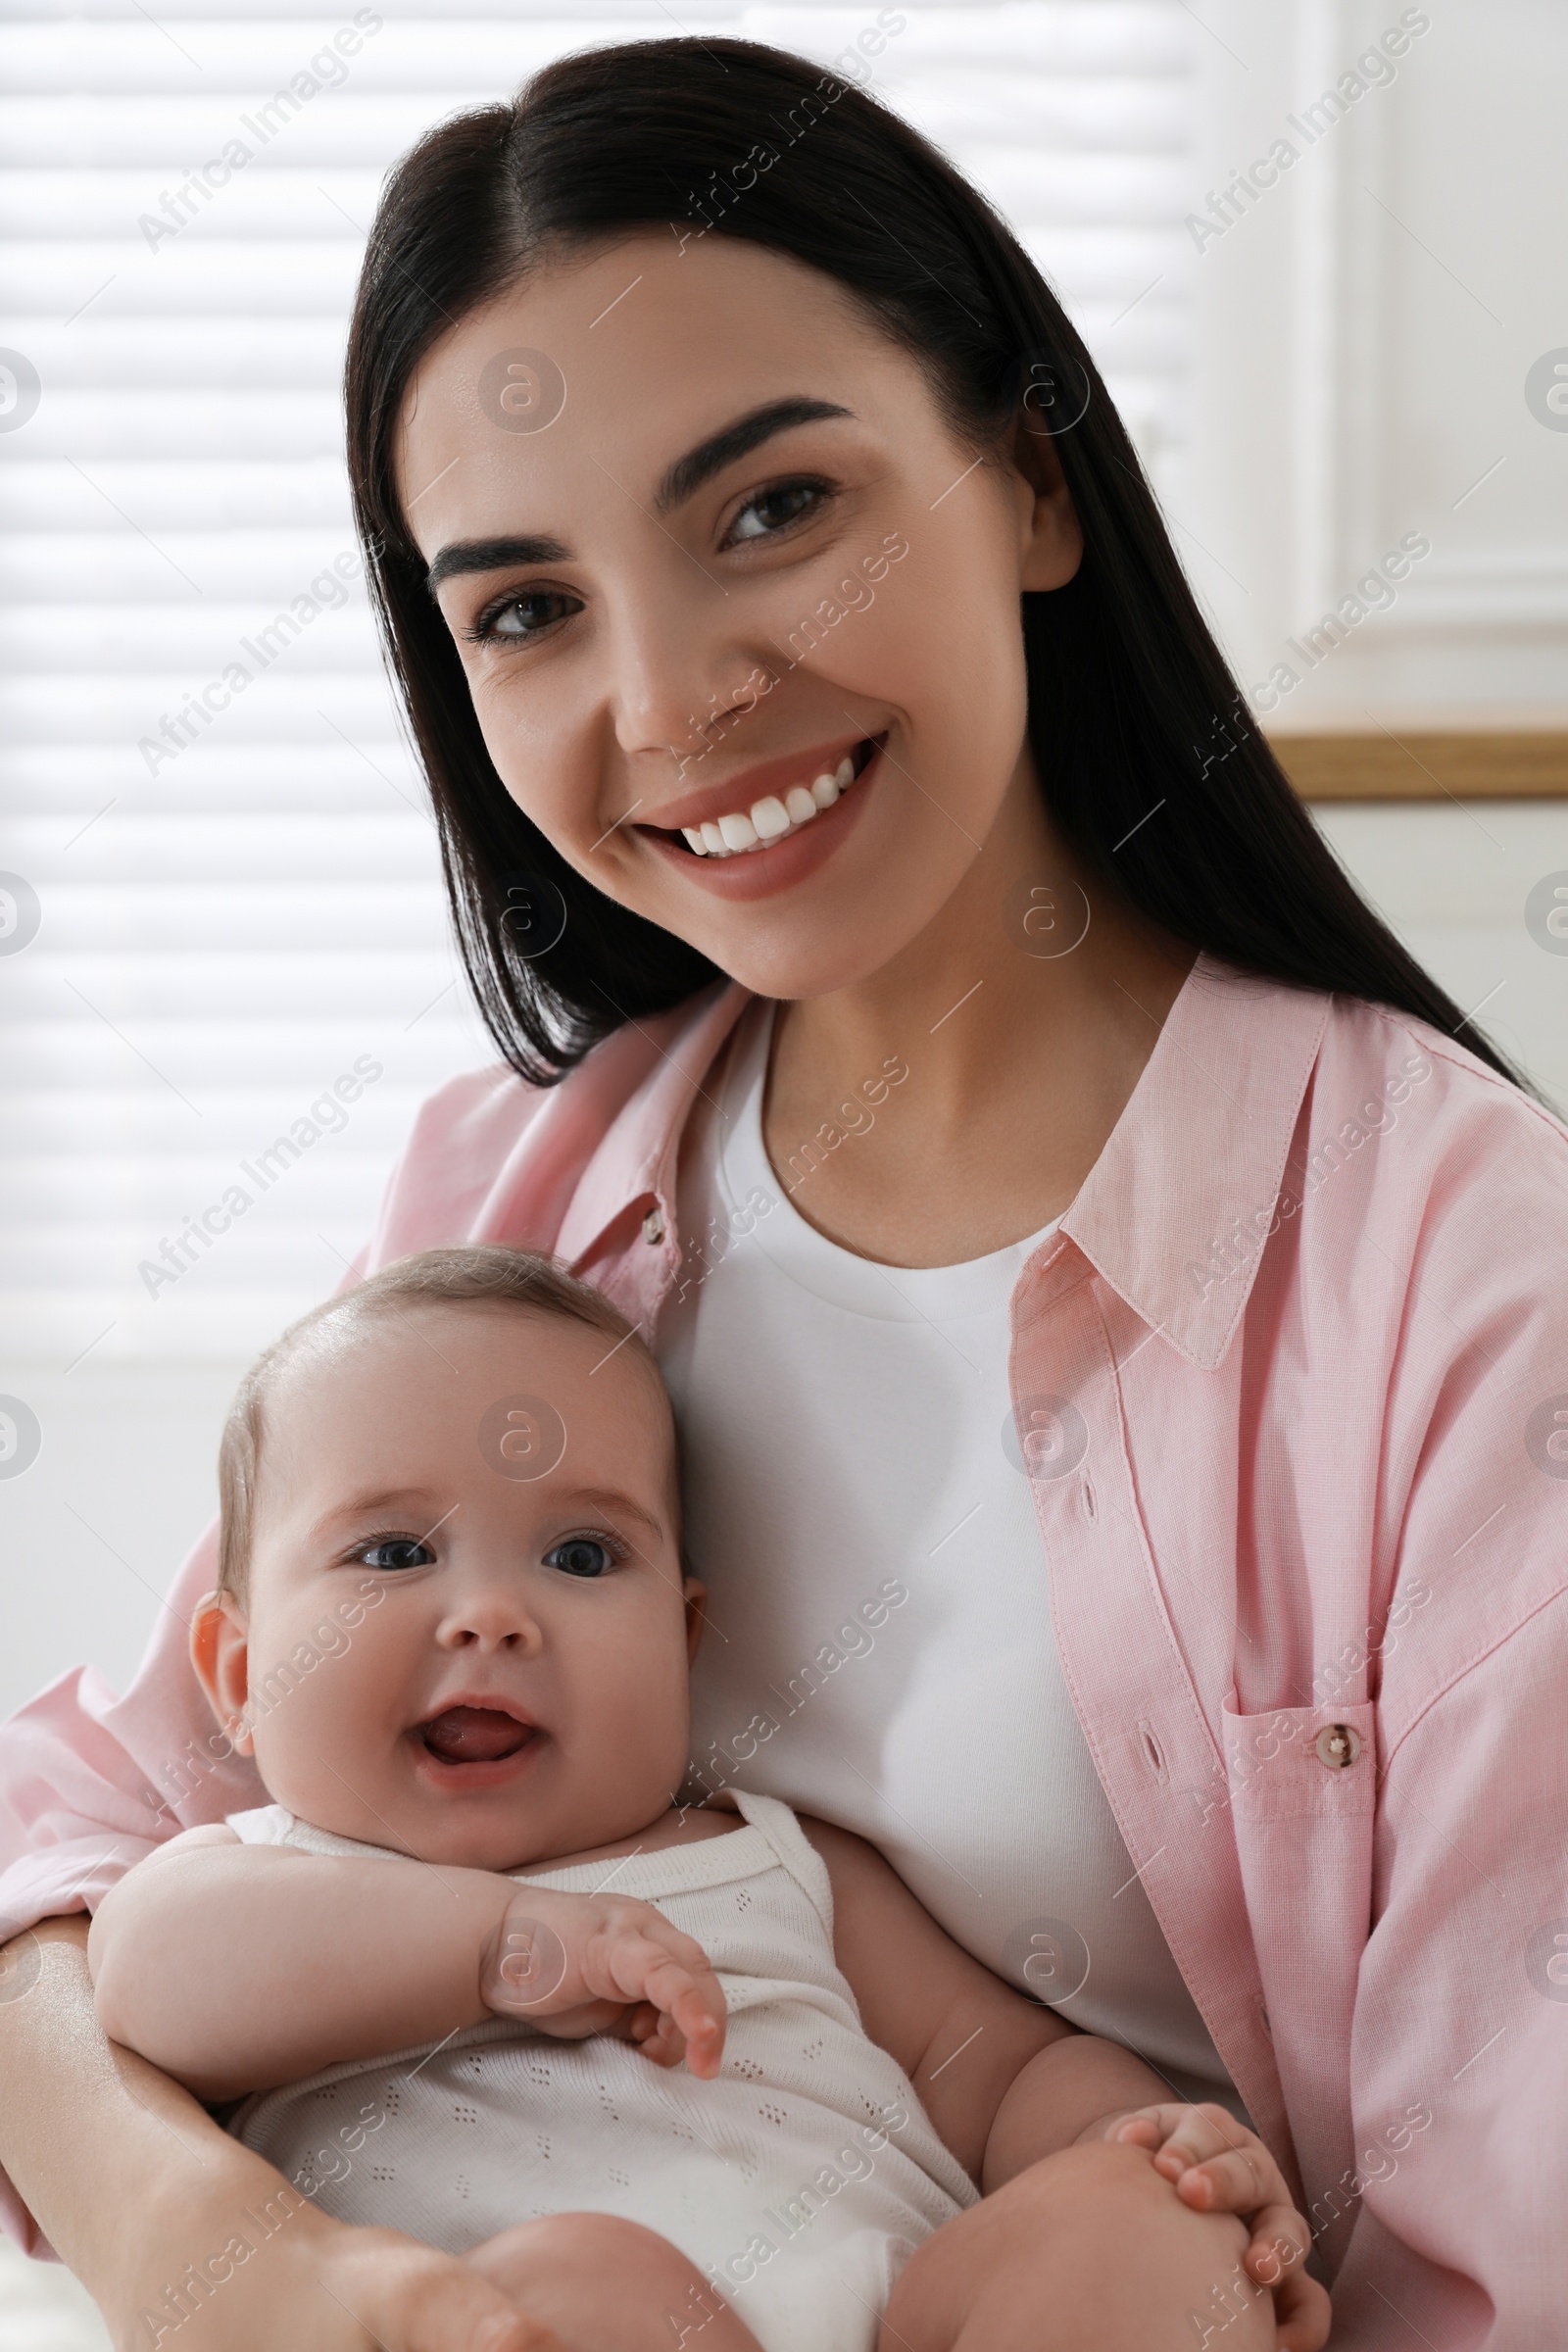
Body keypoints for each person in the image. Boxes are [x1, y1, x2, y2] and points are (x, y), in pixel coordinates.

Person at [0, 33, 1562, 2351]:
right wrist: (244, 2261)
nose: (674, 694)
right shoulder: (519, 1186)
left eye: (769, 511)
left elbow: (1493, 2249)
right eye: (525, 608)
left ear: (1029, 482)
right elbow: (86, 1832)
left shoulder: (1447, 1262)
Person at [86, 1245, 1323, 2352]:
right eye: (396, 1553)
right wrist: (501, 1949)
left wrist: (1139, 2141)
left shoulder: (777, 1862)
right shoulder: (263, 1871)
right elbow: (146, 1975)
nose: (492, 1615)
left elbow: (999, 2072)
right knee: (583, 2285)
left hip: (910, 2317)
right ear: (243, 1676)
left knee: (1148, 2228)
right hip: (526, 2314)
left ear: (683, 1642)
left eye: (581, 1556)